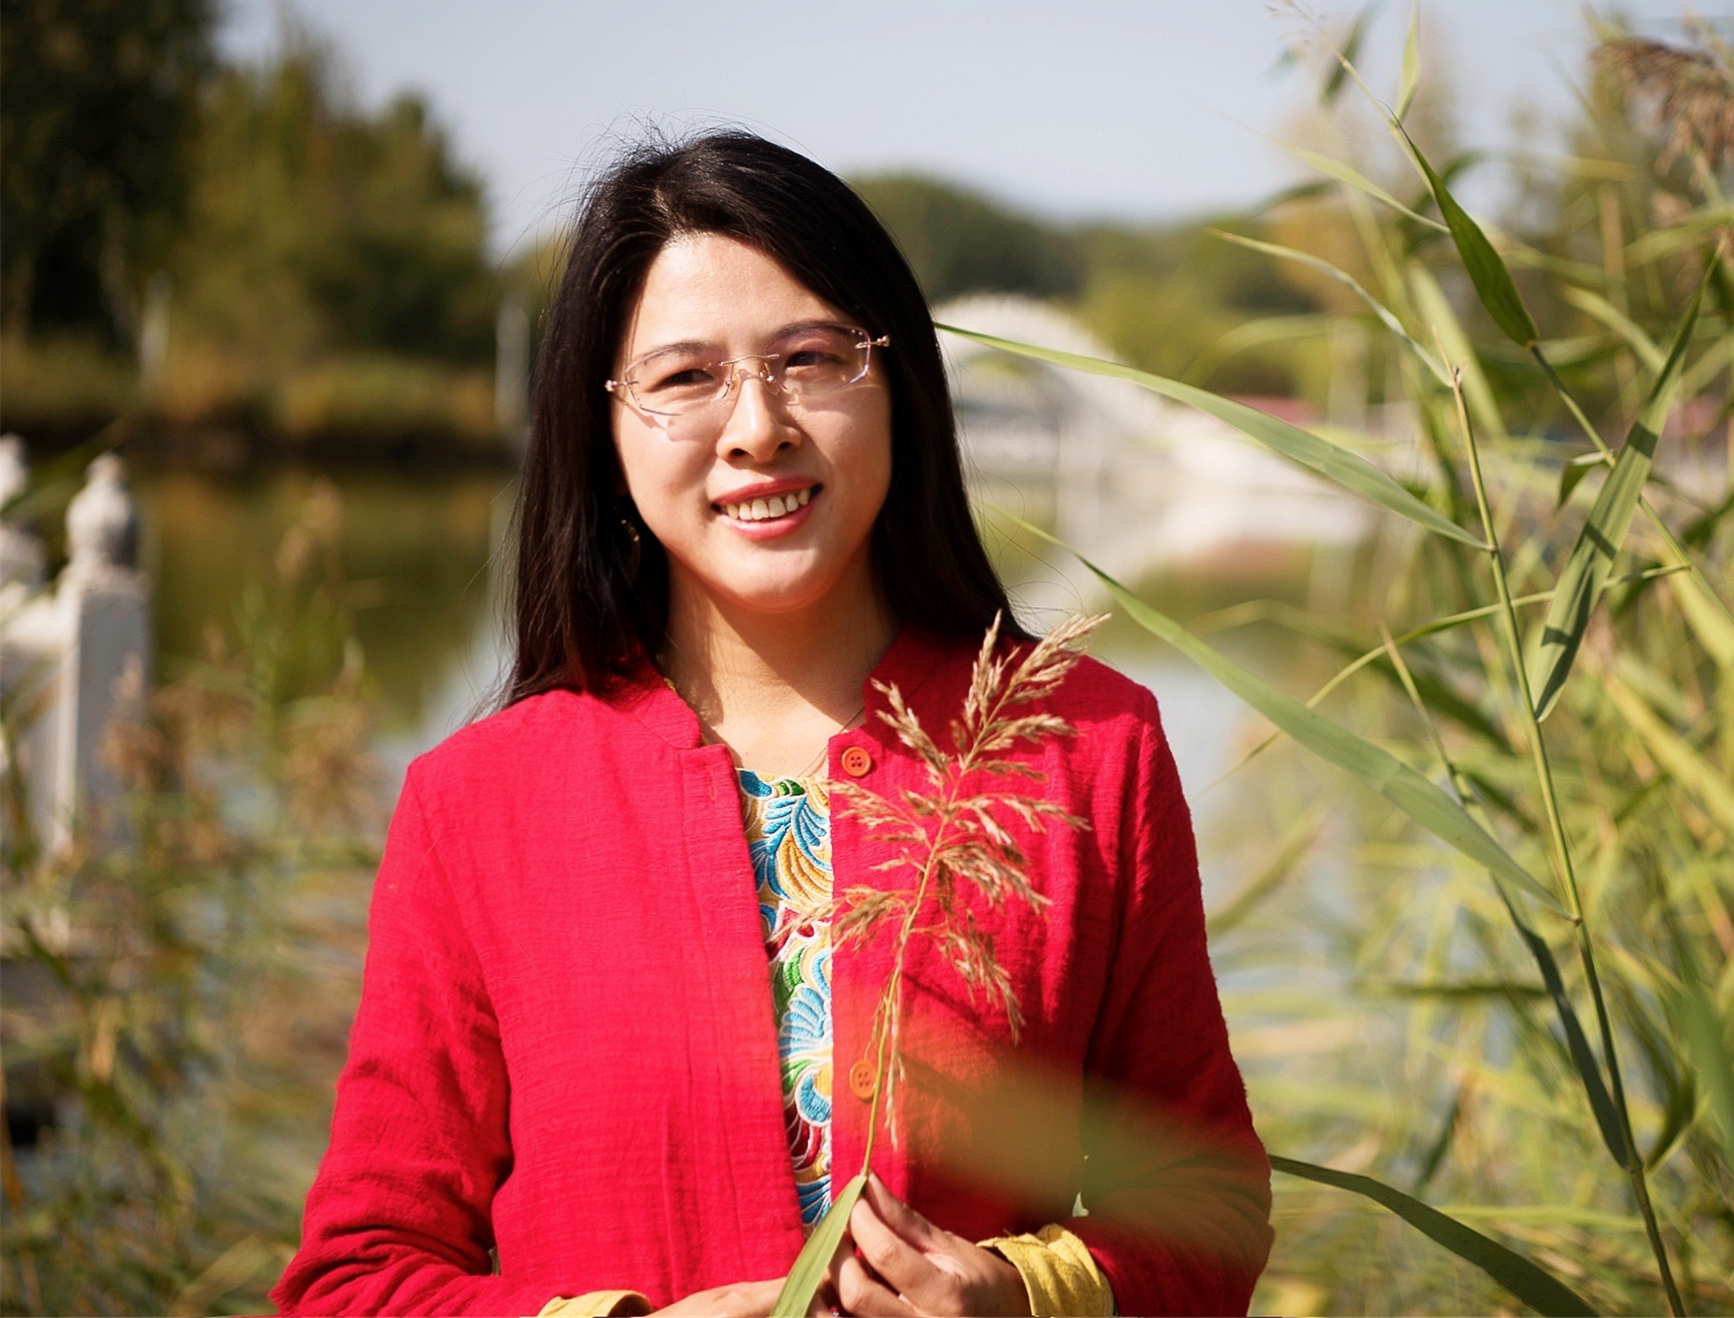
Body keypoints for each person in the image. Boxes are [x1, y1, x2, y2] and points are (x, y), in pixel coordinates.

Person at [270, 131, 1271, 1318]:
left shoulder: (1087, 753)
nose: (757, 427)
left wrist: (1016, 1296)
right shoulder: (482, 804)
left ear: (898, 381)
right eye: (686, 378)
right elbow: (353, 1281)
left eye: (809, 358)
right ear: (606, 427)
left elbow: (1206, 1208)